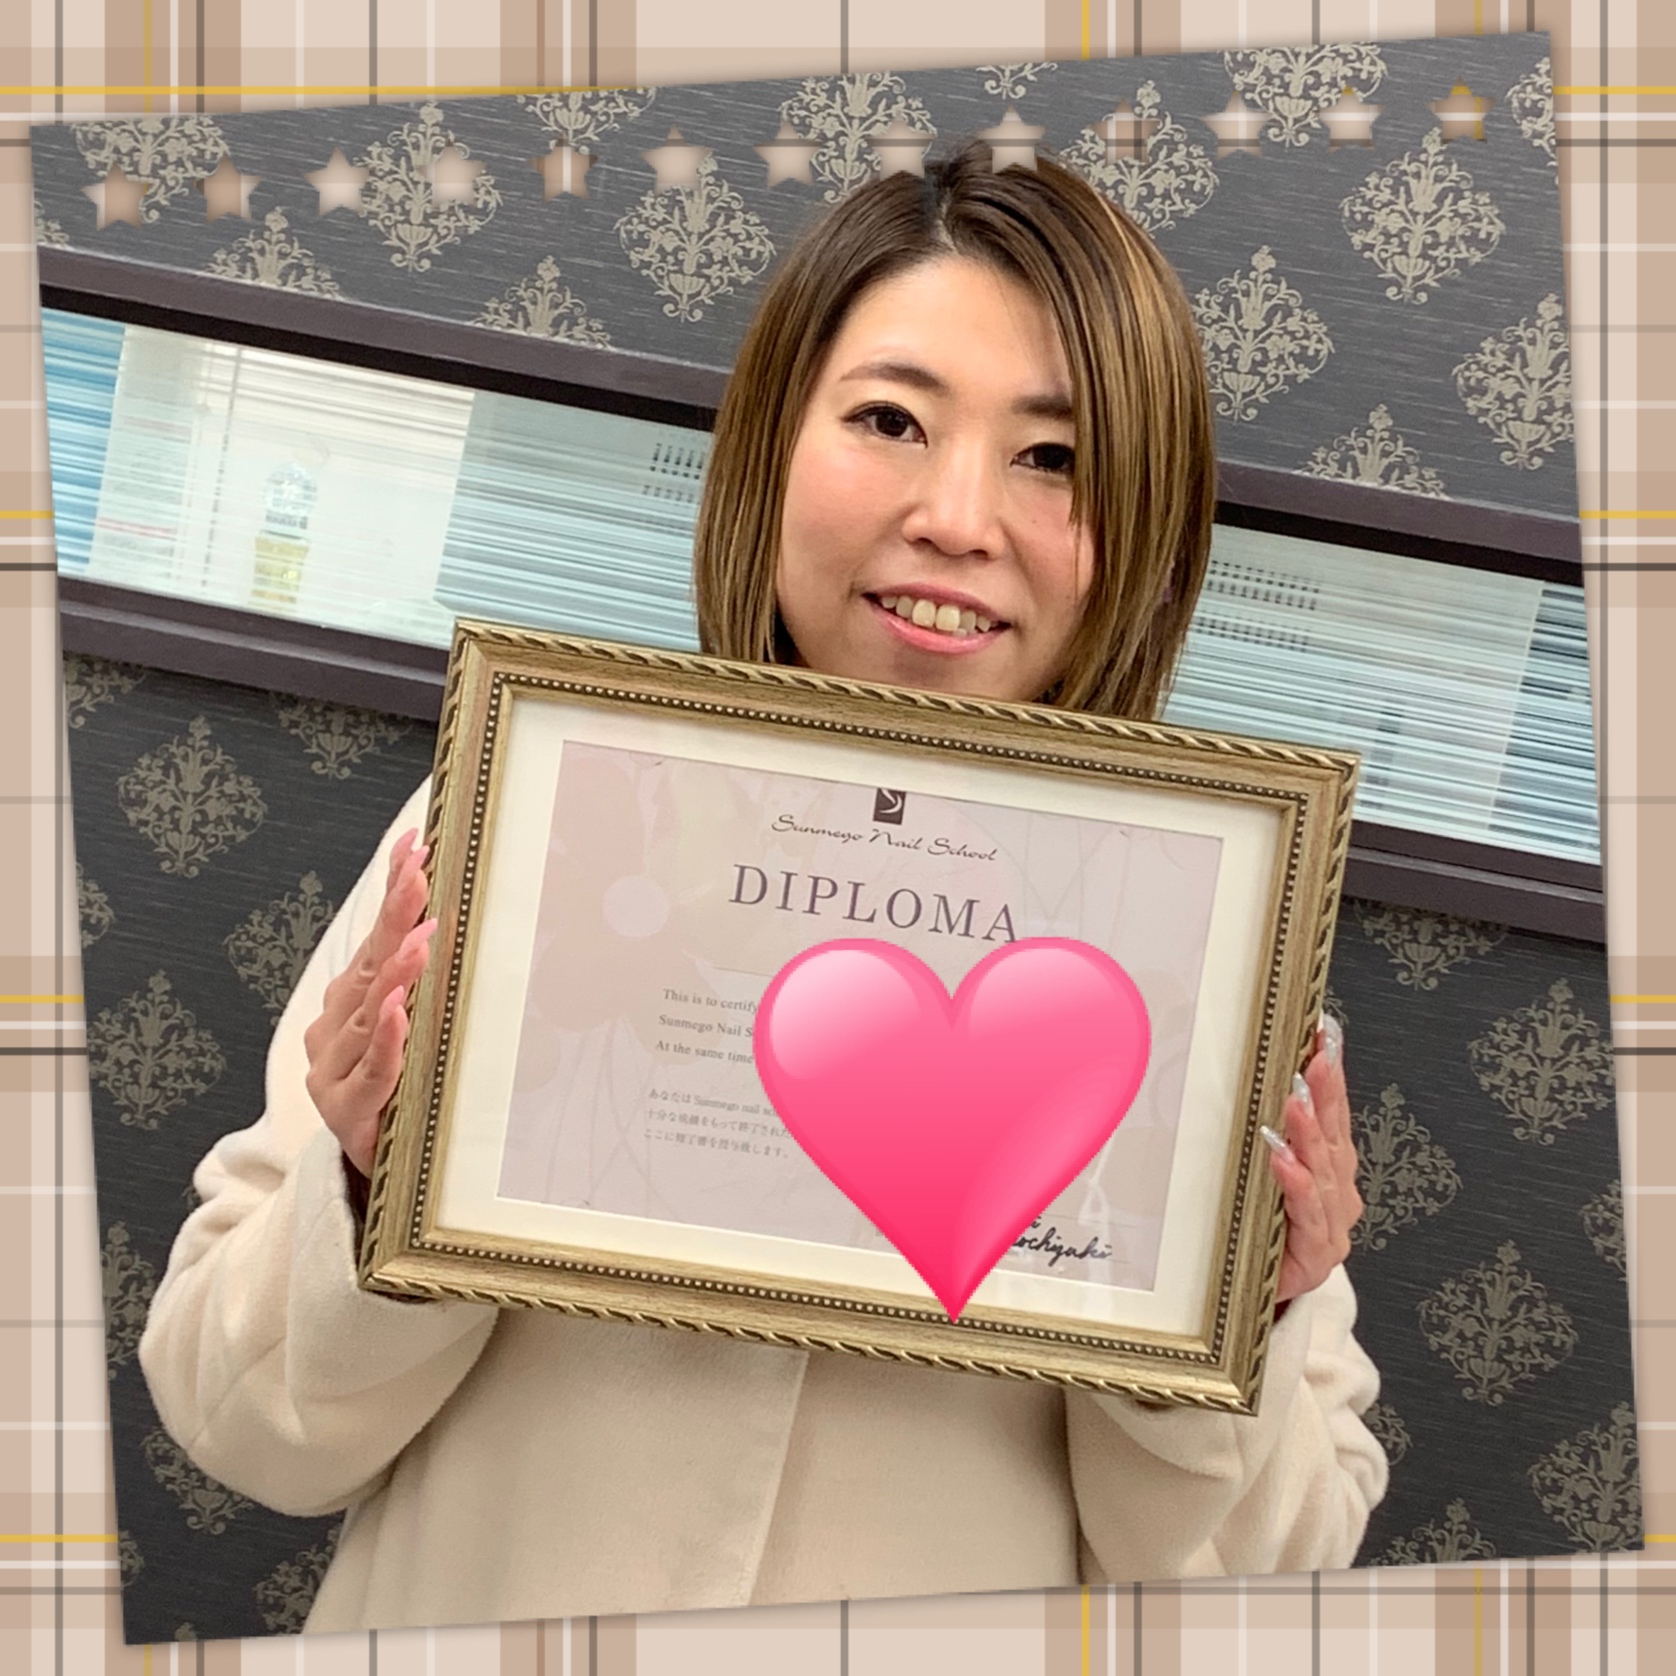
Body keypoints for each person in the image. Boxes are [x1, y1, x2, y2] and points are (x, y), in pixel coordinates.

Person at [139, 140, 1385, 1633]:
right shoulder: (522, 825)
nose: (958, 516)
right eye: (890, 420)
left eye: (1052, 456)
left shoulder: (1207, 937)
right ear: (771, 448)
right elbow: (240, 1423)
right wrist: (367, 1180)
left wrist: (1249, 1309)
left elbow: (1264, 1579)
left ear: (1150, 524)